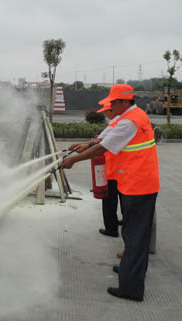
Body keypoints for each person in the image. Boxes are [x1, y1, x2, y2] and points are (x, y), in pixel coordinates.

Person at [61, 84, 159, 302]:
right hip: (135, 182)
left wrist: (74, 160)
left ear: (125, 101)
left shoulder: (129, 122)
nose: (111, 106)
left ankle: (131, 289)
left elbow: (102, 147)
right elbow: (103, 140)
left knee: (136, 237)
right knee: (132, 234)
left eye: (113, 102)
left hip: (139, 185)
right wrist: (85, 145)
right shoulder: (132, 116)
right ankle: (128, 269)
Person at [69, 98, 122, 237]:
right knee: (121, 199)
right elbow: (97, 141)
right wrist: (83, 144)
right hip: (120, 169)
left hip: (113, 169)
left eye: (106, 112)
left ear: (111, 110)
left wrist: (74, 159)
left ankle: (111, 229)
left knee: (109, 200)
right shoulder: (118, 122)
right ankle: (122, 221)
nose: (105, 115)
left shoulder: (117, 123)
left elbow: (100, 144)